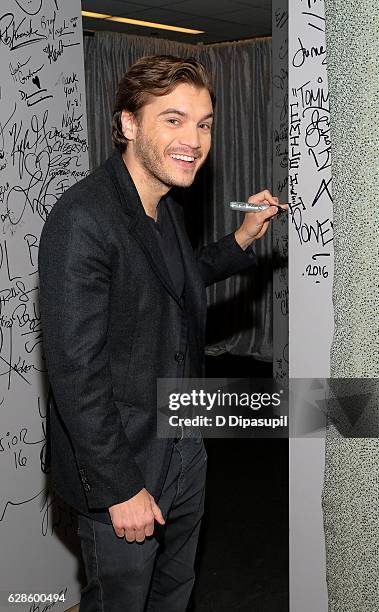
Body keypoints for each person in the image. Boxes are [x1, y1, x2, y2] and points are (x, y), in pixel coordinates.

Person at [38, 55, 284, 611]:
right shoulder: (84, 219)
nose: (194, 139)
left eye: (204, 123)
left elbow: (180, 279)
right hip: (125, 468)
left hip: (181, 446)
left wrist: (242, 239)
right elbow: (77, 373)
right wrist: (120, 486)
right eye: (173, 119)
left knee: (174, 593)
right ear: (128, 124)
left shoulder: (163, 202)